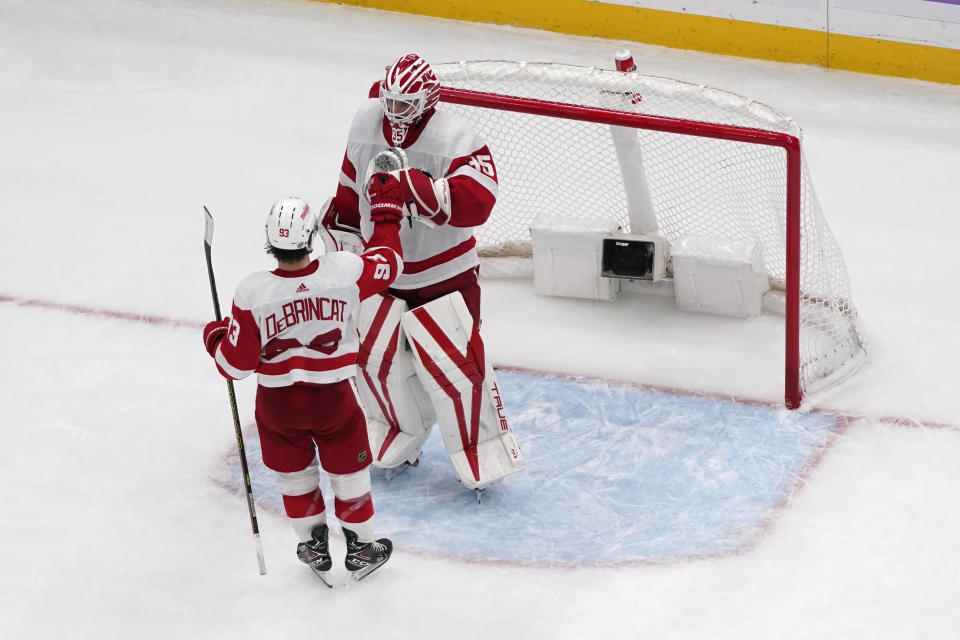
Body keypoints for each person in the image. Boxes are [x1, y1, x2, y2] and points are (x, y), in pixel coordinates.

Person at [321, 54, 525, 493]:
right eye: (390, 101)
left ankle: (481, 448)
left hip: (444, 276)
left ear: (428, 100)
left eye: (405, 104)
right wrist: (342, 235)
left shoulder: (455, 136)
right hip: (383, 272)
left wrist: (416, 187)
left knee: (458, 369)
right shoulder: (364, 121)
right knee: (375, 360)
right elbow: (348, 187)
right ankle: (397, 428)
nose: (394, 112)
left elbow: (481, 199)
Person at [202, 188, 405, 585]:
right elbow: (390, 263)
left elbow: (234, 366)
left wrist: (215, 337)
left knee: (295, 478)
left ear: (270, 241)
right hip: (335, 402)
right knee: (349, 475)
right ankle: (361, 548)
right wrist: (386, 214)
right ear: (311, 236)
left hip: (278, 409)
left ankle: (313, 543)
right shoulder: (343, 271)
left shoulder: (252, 291)